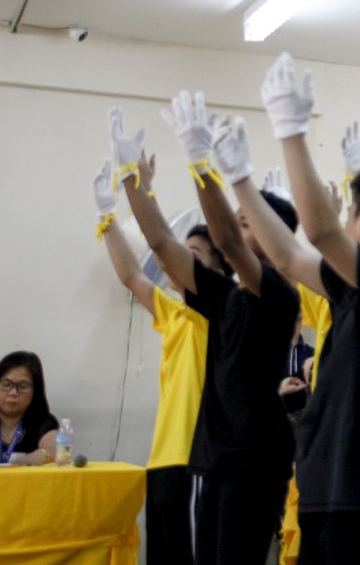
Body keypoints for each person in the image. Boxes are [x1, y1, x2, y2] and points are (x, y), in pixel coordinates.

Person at [231, 54, 360, 565]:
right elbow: (287, 255)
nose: (343, 223)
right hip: (329, 493)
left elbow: (319, 231)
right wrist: (240, 181)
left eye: (350, 212)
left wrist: (291, 129)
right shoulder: (354, 290)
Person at [112, 99, 298, 565]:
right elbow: (161, 243)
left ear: (274, 235)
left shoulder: (279, 293)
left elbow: (229, 242)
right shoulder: (223, 294)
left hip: (254, 455)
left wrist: (200, 162)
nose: (233, 225)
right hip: (214, 456)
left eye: (246, 219)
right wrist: (133, 181)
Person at [93, 158, 223, 565]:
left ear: (219, 272)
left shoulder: (214, 315)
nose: (177, 260)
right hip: (163, 461)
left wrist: (141, 189)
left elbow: (162, 247)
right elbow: (132, 276)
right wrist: (107, 218)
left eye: (193, 254)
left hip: (196, 461)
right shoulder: (176, 313)